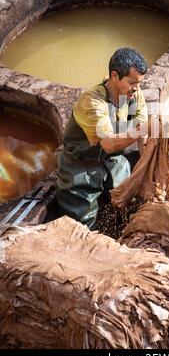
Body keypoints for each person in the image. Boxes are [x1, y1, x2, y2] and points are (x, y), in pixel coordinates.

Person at [55, 47, 148, 230]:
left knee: (126, 205)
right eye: (132, 82)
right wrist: (145, 128)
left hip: (112, 162)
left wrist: (146, 169)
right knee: (80, 228)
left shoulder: (133, 95)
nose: (136, 89)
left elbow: (141, 133)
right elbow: (109, 143)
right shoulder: (92, 102)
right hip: (81, 167)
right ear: (115, 76)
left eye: (140, 83)